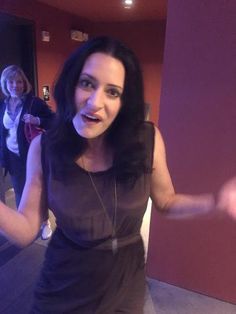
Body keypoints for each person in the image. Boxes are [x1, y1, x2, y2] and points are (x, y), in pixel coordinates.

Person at [0, 37, 235, 314]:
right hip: (62, 285)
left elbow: (166, 201)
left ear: (124, 102)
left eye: (112, 91)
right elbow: (28, 228)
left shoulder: (147, 140)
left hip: (125, 282)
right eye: (87, 83)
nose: (95, 102)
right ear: (71, 85)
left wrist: (216, 203)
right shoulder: (44, 148)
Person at [0, 65, 54, 240]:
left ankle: (45, 222)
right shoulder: (3, 105)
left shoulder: (34, 103)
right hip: (12, 157)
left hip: (32, 156)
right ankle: (25, 224)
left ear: (24, 83)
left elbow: (54, 121)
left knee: (38, 189)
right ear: (5, 84)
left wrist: (37, 119)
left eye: (19, 81)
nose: (15, 85)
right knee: (19, 191)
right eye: (11, 81)